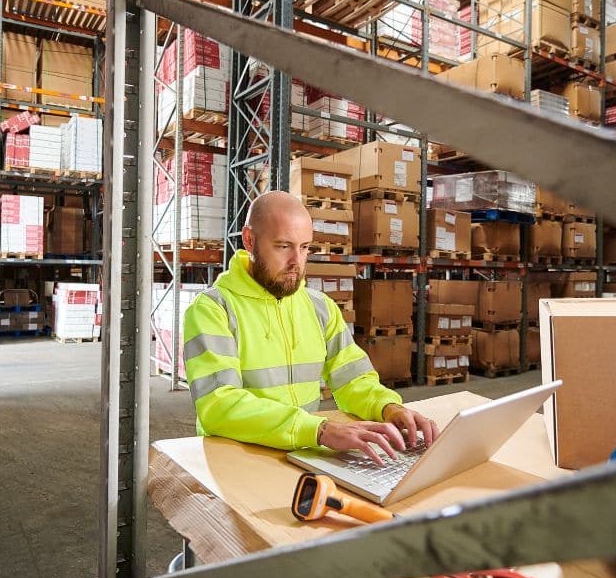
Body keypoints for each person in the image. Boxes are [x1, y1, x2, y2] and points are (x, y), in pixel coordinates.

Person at [182, 191, 439, 464]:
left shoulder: (320, 308)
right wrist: (319, 431)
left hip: (300, 453)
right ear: (249, 240)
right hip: (236, 458)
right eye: (283, 246)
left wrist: (387, 407)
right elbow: (219, 405)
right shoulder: (213, 309)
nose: (297, 262)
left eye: (305, 247)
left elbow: (353, 380)